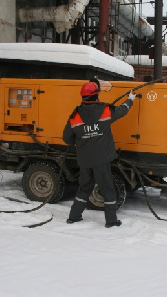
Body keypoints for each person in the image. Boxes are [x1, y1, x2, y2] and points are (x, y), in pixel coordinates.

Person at [63, 79, 136, 228]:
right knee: (108, 189)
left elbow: (66, 138)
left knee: (84, 188)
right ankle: (111, 221)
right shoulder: (105, 111)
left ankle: (74, 217)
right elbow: (123, 110)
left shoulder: (75, 115)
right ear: (96, 96)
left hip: (85, 161)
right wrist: (130, 99)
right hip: (101, 160)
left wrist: (80, 140)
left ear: (83, 97)